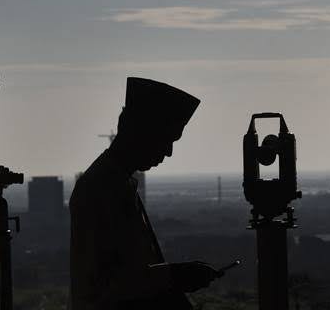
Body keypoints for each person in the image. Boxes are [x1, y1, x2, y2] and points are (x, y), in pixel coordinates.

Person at [69, 77, 222, 310]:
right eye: (165, 139)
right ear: (139, 132)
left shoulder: (117, 183)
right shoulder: (99, 189)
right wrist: (174, 275)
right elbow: (100, 285)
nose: (168, 152)